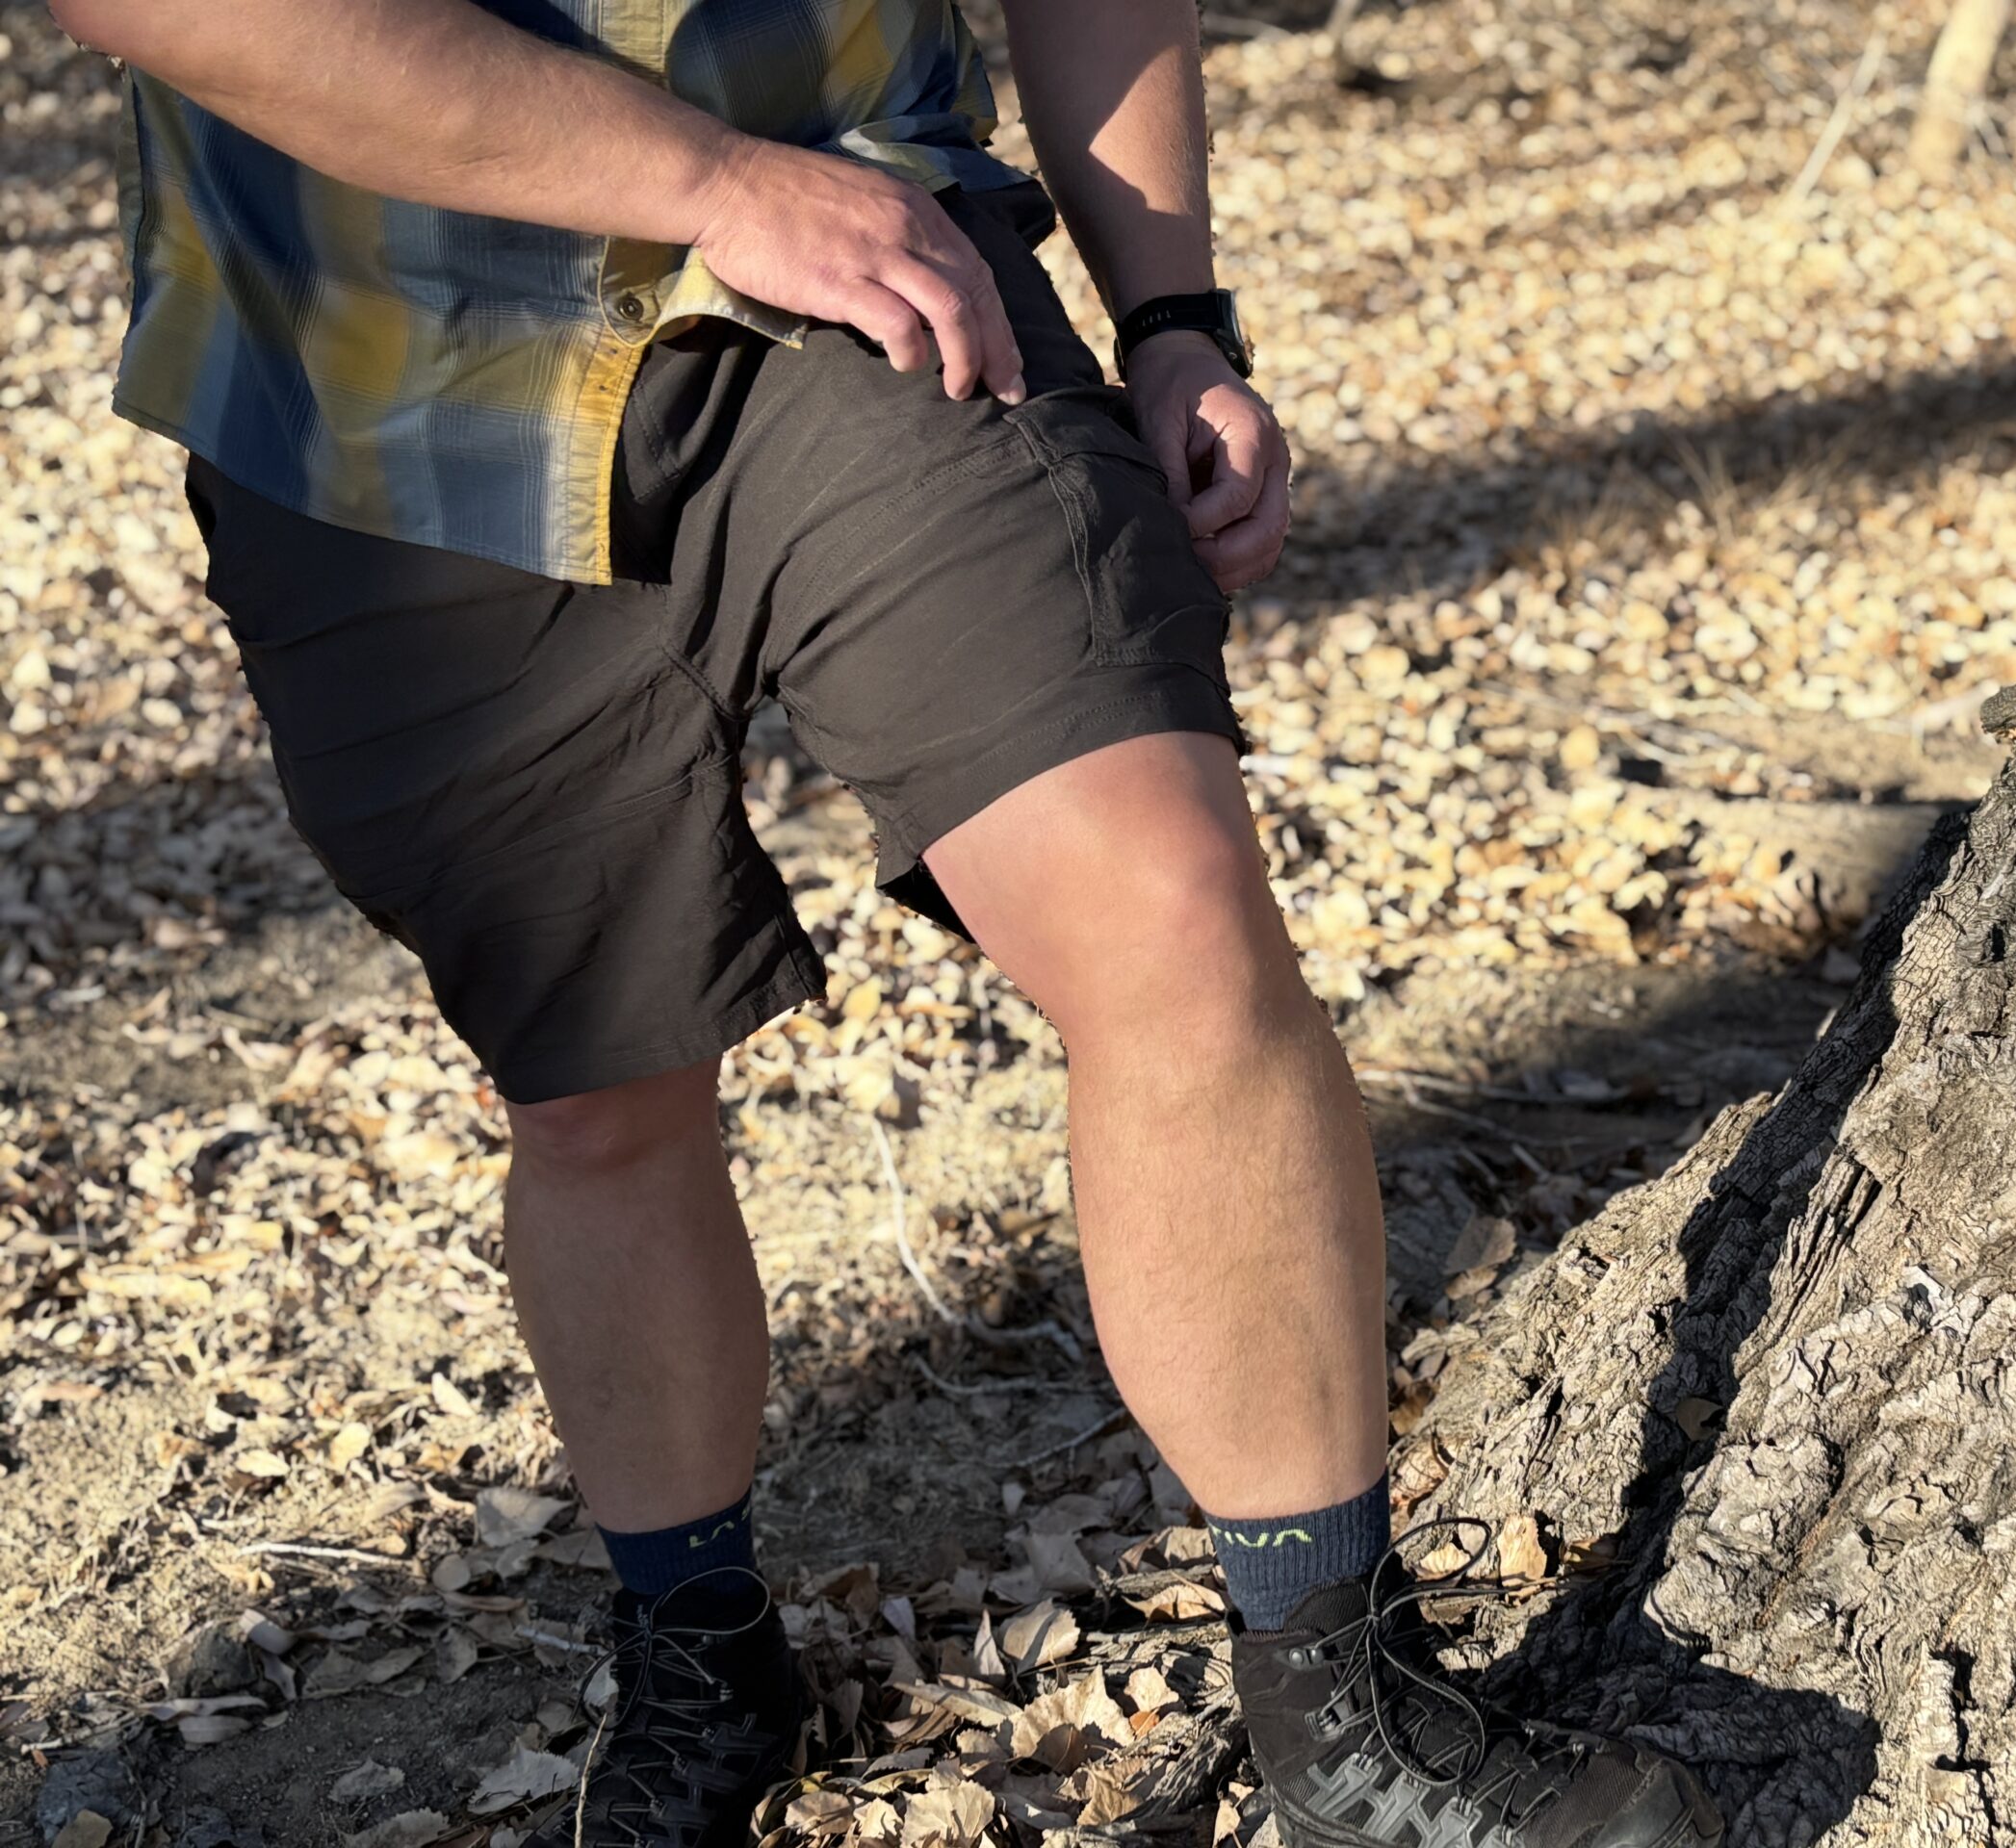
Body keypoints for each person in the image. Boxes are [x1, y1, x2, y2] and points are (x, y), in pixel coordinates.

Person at [50, 2, 1722, 1843]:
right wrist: (697, 178)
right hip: (373, 363)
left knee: (1165, 907)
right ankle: (701, 1655)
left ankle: (1349, 1717)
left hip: (872, 261)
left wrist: (1172, 313)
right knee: (601, 1090)